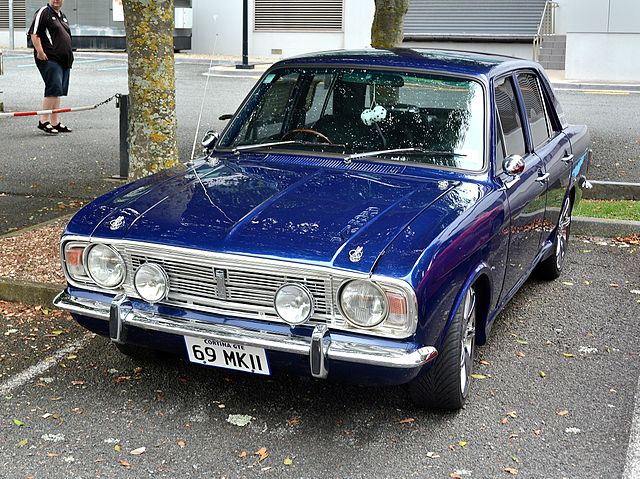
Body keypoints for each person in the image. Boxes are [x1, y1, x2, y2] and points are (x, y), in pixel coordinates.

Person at [27, 0, 74, 135]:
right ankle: (43, 121)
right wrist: (40, 52)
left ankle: (55, 122)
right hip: (49, 58)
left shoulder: (62, 16)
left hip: (64, 60)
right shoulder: (44, 12)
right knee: (52, 88)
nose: (56, 0)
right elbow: (34, 33)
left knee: (58, 91)